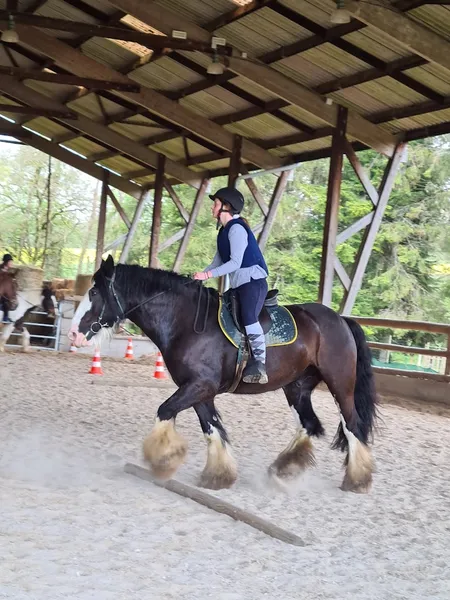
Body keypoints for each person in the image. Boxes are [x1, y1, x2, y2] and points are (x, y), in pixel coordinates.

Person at [193, 187, 269, 384]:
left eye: (215, 204)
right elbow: (218, 262)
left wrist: (207, 274)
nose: (212, 207)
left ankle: (260, 363)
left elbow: (235, 263)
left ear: (226, 207)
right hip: (238, 284)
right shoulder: (223, 232)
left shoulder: (236, 229)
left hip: (252, 282)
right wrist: (201, 276)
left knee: (249, 317)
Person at [1, 253, 14, 323]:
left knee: (8, 299)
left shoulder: (8, 270)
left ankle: (7, 316)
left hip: (4, 290)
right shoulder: (2, 269)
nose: (11, 263)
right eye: (10, 261)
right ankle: (5, 318)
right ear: (6, 262)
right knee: (5, 300)